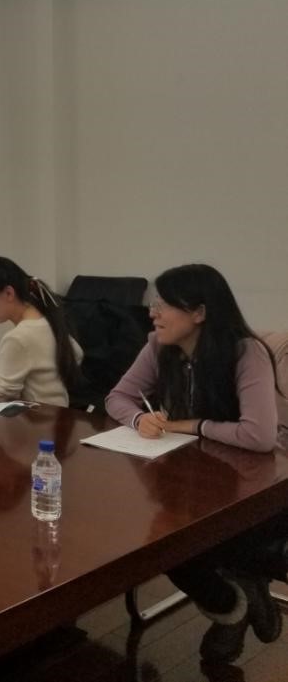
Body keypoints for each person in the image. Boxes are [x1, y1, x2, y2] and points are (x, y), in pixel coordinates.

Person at [106, 263, 287, 664]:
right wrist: (138, 419)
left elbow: (259, 436)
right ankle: (232, 607)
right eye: (154, 303)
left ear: (200, 312)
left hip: (253, 489)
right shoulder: (159, 346)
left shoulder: (245, 351)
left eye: (164, 304)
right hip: (189, 479)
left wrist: (190, 425)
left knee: (192, 543)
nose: (153, 312)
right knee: (158, 541)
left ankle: (244, 584)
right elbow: (117, 397)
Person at [0, 255, 83, 406]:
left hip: (34, 418)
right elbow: (77, 353)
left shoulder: (18, 338)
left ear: (9, 293)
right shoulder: (49, 320)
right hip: (61, 413)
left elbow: (3, 397)